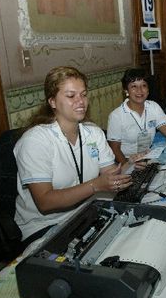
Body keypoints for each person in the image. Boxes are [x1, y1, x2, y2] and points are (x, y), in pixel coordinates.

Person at [14, 66, 132, 243]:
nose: (81, 101)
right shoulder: (35, 141)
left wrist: (130, 166)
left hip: (86, 214)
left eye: (84, 95)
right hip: (45, 225)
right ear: (52, 101)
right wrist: (95, 185)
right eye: (71, 96)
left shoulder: (93, 133)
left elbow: (110, 175)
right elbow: (45, 202)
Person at [107, 68, 166, 165]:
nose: (139, 90)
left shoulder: (153, 106)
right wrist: (128, 167)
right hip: (126, 160)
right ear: (126, 91)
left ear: (148, 90)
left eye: (143, 85)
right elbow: (114, 149)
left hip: (148, 156)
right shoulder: (116, 116)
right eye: (134, 86)